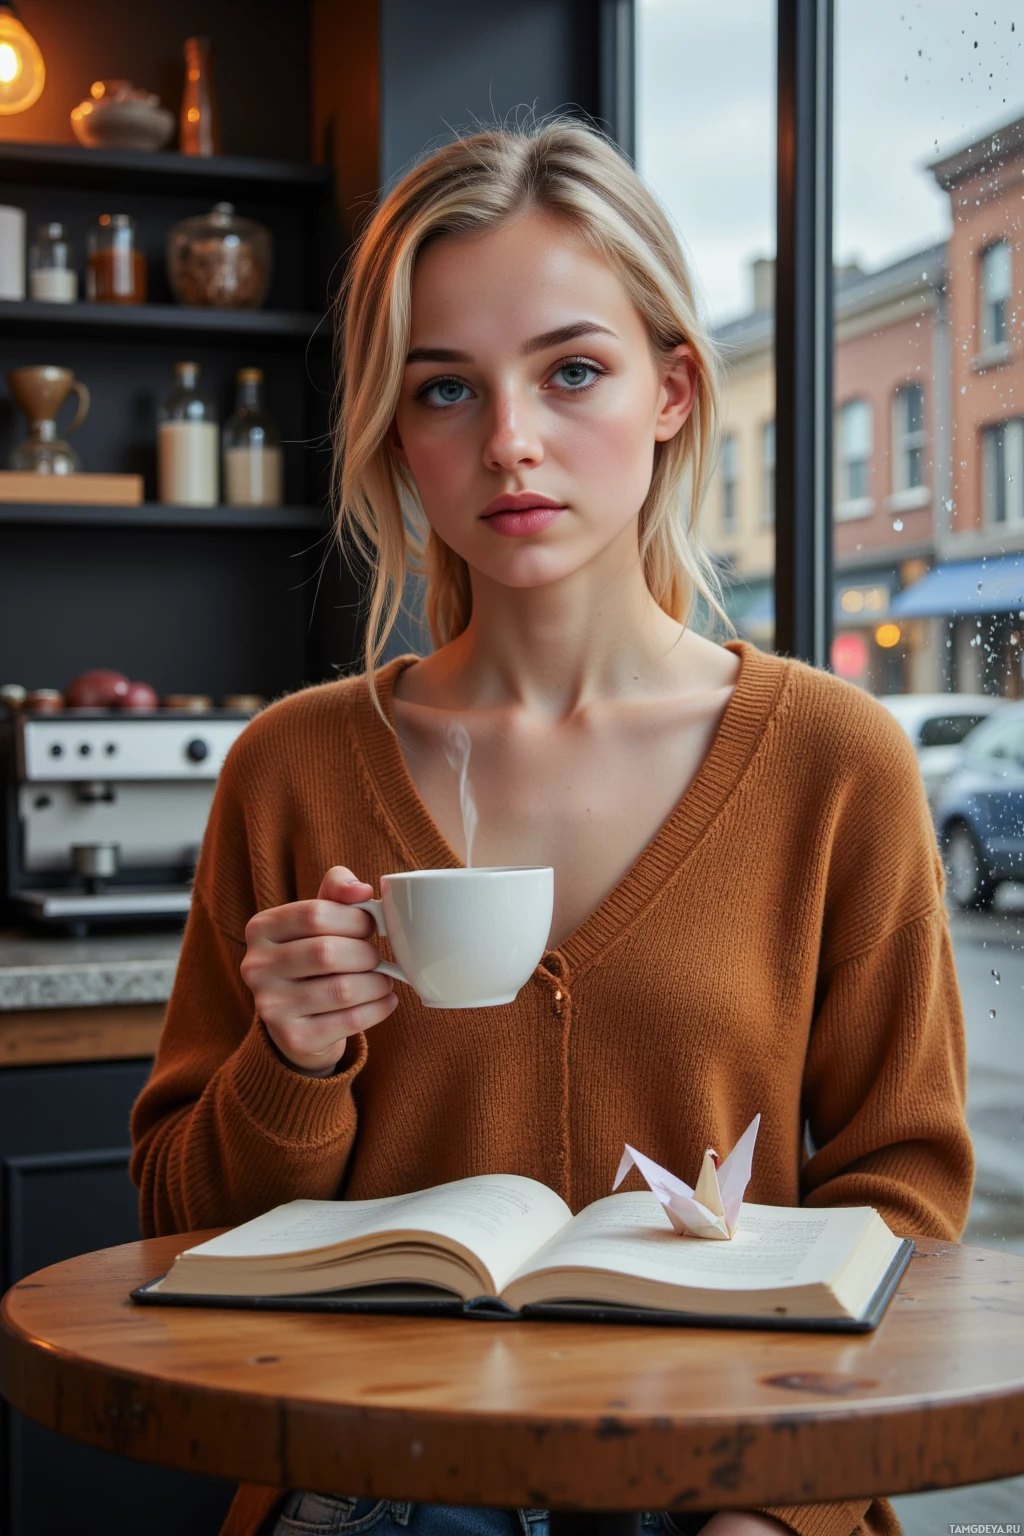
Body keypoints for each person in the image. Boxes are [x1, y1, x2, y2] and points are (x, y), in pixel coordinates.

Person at [130, 120, 973, 1536]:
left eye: (572, 370)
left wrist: (777, 1515)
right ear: (397, 433)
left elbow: (910, 1203)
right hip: (375, 1488)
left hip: (734, 1483)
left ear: (672, 390)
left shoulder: (838, 763)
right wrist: (293, 1063)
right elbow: (174, 1223)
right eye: (445, 389)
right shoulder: (290, 768)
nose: (509, 441)